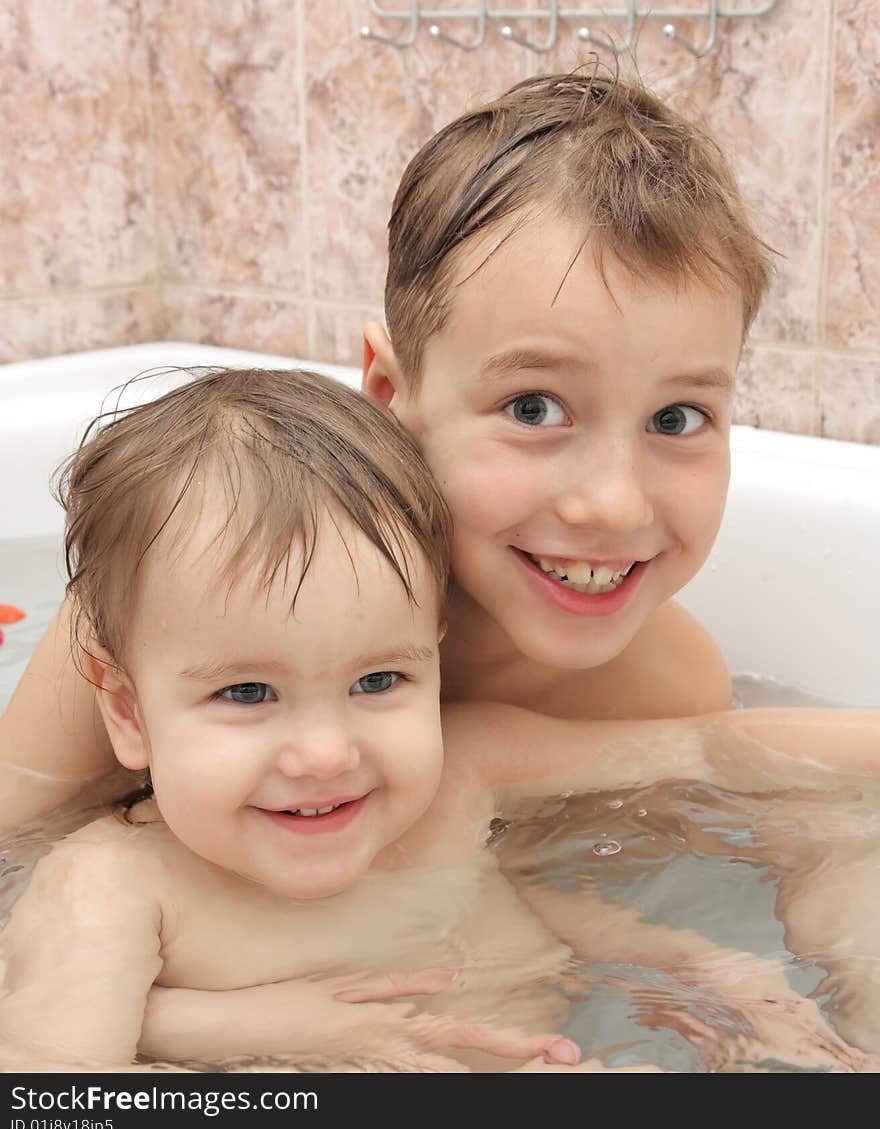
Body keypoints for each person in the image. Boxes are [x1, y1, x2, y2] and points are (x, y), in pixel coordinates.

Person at [1, 68, 879, 1057]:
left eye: (677, 418)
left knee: (844, 847)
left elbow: (510, 899)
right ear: (388, 388)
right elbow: (21, 874)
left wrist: (711, 972)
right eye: (534, 408)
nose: (613, 504)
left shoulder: (648, 681)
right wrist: (184, 1020)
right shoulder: (169, 599)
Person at [1, 367, 876, 1075]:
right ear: (127, 711)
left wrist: (712, 969)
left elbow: (705, 751)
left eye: (378, 678)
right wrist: (234, 1035)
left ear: (435, 656)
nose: (326, 752)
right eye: (246, 694)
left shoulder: (463, 771)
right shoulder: (117, 891)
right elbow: (57, 1103)